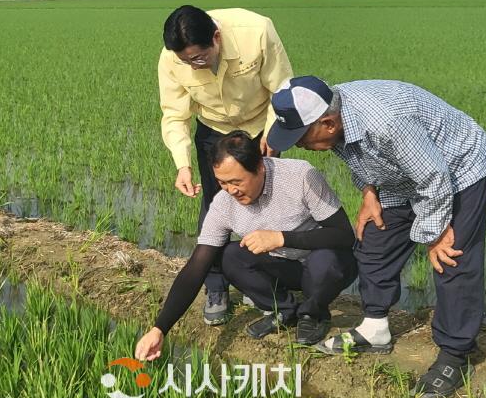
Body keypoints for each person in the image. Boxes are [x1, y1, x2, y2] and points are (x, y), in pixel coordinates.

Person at [266, 76, 486, 398]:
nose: (300, 145)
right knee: (374, 240)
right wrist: (369, 191)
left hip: (457, 169)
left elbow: (434, 178)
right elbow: (360, 158)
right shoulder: (334, 115)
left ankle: (455, 354)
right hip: (404, 173)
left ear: (328, 123)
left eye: (301, 137)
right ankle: (375, 328)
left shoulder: (387, 122)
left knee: (450, 256)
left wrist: (435, 234)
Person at [134, 131, 357, 361]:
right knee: (229, 256)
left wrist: (281, 238)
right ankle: (283, 310)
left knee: (325, 261)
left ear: (259, 167)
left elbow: (343, 235)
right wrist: (159, 328)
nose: (231, 190)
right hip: (285, 267)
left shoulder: (299, 176)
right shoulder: (223, 204)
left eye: (236, 181)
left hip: (324, 264)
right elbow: (196, 267)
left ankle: (314, 314)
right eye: (223, 182)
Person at [159, 5, 293, 325]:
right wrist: (183, 165)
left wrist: (273, 136)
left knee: (267, 202)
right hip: (214, 130)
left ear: (216, 38)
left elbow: (282, 89)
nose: (194, 65)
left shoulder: (257, 31)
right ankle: (216, 285)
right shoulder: (171, 59)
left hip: (261, 126)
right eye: (186, 61)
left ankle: (258, 278)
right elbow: (174, 114)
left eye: (199, 58)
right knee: (215, 206)